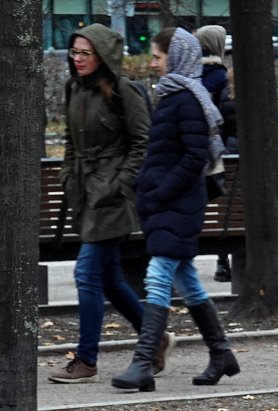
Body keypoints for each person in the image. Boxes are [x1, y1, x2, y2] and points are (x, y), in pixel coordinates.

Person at [112, 27, 239, 393]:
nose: (152, 63)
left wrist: (160, 193)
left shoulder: (187, 99)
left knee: (158, 275)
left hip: (177, 205)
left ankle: (142, 362)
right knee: (187, 281)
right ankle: (221, 353)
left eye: (157, 56)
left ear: (177, 57)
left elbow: (193, 157)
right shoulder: (174, 95)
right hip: (168, 205)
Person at [50, 24, 171, 384]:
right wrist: (70, 179)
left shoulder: (124, 91)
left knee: (86, 275)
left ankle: (86, 358)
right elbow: (72, 142)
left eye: (86, 53)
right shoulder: (74, 88)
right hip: (86, 195)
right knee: (111, 280)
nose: (79, 59)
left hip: (114, 199)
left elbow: (143, 144)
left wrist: (119, 184)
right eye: (75, 53)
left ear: (102, 55)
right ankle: (156, 338)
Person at [194, 24, 237, 282]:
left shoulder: (193, 77)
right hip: (225, 159)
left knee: (227, 204)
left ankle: (223, 262)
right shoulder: (223, 79)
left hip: (206, 163)